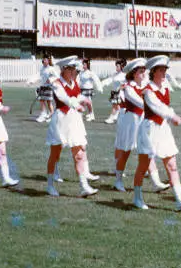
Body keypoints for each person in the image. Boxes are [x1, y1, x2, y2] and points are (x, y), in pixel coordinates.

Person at [132, 55, 181, 210]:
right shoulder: (148, 91)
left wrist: (171, 115)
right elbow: (157, 107)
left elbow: (166, 105)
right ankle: (137, 197)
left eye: (165, 70)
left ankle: (180, 198)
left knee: (172, 164)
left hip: (163, 130)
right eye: (161, 70)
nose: (164, 73)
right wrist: (172, 116)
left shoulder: (166, 86)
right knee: (143, 165)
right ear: (153, 72)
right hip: (149, 130)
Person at [112, 58, 170, 193]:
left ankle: (156, 182)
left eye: (144, 71)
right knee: (126, 151)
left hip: (142, 121)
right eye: (140, 72)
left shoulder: (145, 87)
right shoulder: (128, 87)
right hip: (131, 122)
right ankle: (118, 180)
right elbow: (140, 103)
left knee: (148, 150)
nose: (144, 74)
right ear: (133, 73)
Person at [45, 56, 98, 197]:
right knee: (55, 154)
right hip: (61, 120)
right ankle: (50, 185)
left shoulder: (74, 82)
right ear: (64, 70)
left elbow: (76, 95)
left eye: (75, 69)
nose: (75, 72)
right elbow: (64, 98)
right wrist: (77, 105)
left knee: (79, 153)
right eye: (72, 69)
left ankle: (84, 186)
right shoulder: (56, 83)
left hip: (74, 120)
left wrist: (84, 99)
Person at [103, 58, 127, 124]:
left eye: (117, 66)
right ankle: (116, 115)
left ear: (122, 66)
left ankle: (111, 118)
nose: (116, 67)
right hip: (114, 92)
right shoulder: (115, 74)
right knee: (117, 106)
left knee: (114, 106)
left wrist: (122, 87)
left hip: (119, 93)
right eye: (116, 66)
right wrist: (103, 83)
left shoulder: (124, 75)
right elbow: (110, 79)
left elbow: (127, 83)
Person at [35, 55, 57, 123]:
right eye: (44, 60)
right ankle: (43, 114)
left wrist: (50, 79)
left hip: (49, 87)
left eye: (46, 60)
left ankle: (52, 116)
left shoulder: (51, 69)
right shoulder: (42, 69)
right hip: (42, 87)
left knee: (49, 102)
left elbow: (57, 77)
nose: (44, 61)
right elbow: (40, 77)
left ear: (49, 61)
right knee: (41, 100)